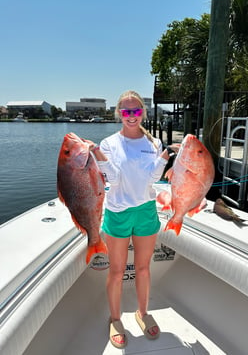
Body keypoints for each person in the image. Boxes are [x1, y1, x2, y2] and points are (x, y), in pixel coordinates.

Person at [89, 90, 176, 349]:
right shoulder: (108, 144)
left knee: (144, 268)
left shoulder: (153, 144)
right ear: (119, 113)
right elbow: (113, 180)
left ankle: (142, 312)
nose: (130, 116)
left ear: (143, 113)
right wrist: (97, 153)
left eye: (135, 111)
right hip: (118, 212)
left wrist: (165, 154)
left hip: (146, 211)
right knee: (116, 272)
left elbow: (152, 179)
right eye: (125, 111)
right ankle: (115, 319)